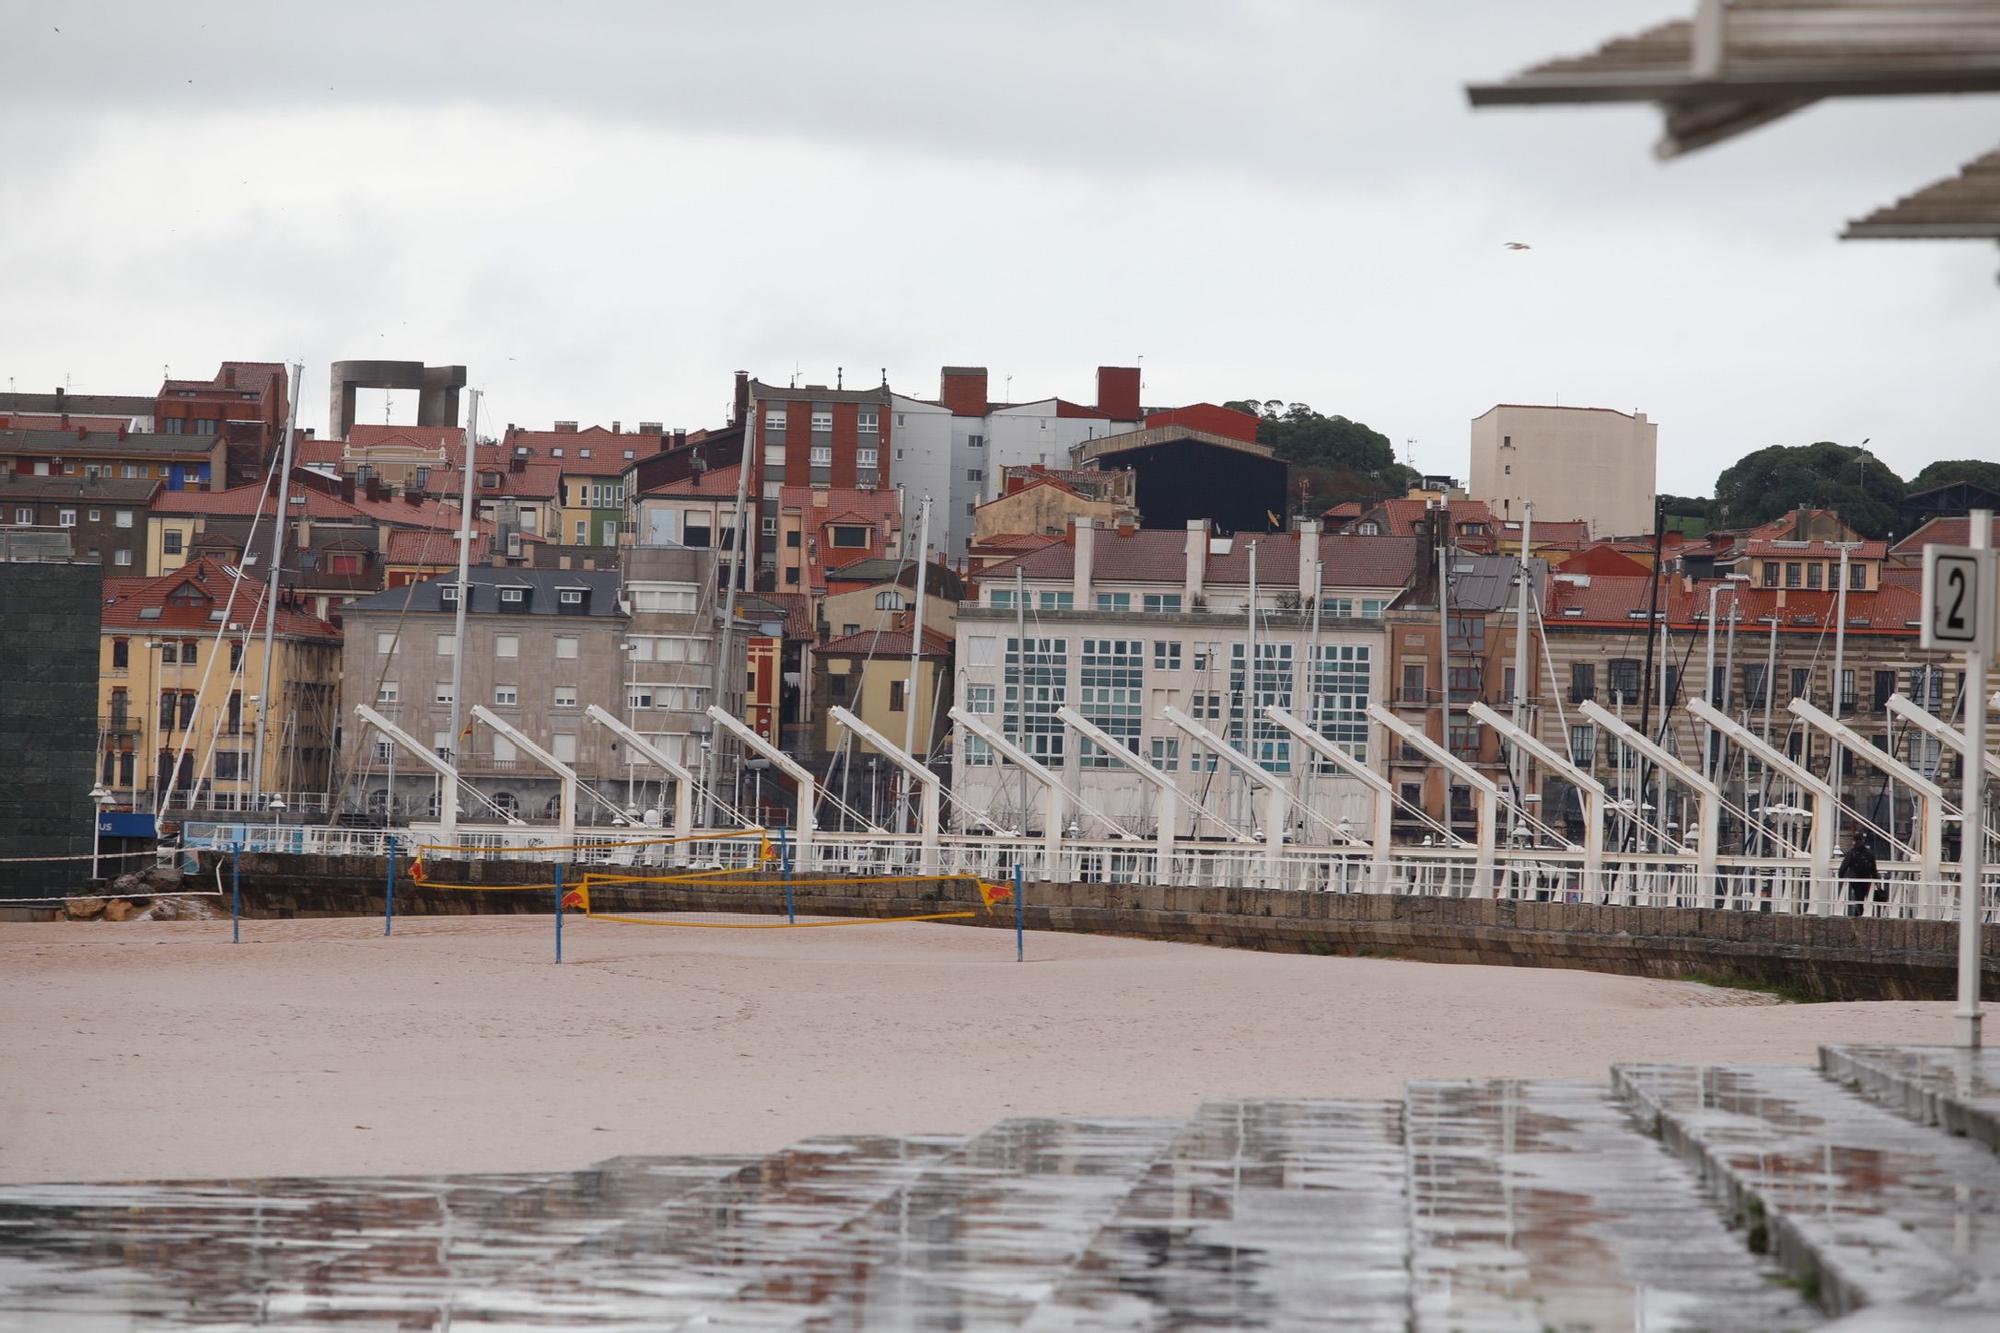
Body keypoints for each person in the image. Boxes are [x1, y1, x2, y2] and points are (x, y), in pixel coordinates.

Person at [1839, 831, 1878, 918]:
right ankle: (1859, 912)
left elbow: (1844, 866)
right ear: (1862, 839)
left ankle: (1858, 913)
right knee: (1862, 896)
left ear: (1854, 840)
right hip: (1866, 878)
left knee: (1857, 896)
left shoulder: (1852, 852)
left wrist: (1840, 876)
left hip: (1855, 878)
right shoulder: (1869, 853)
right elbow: (1873, 868)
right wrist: (1876, 880)